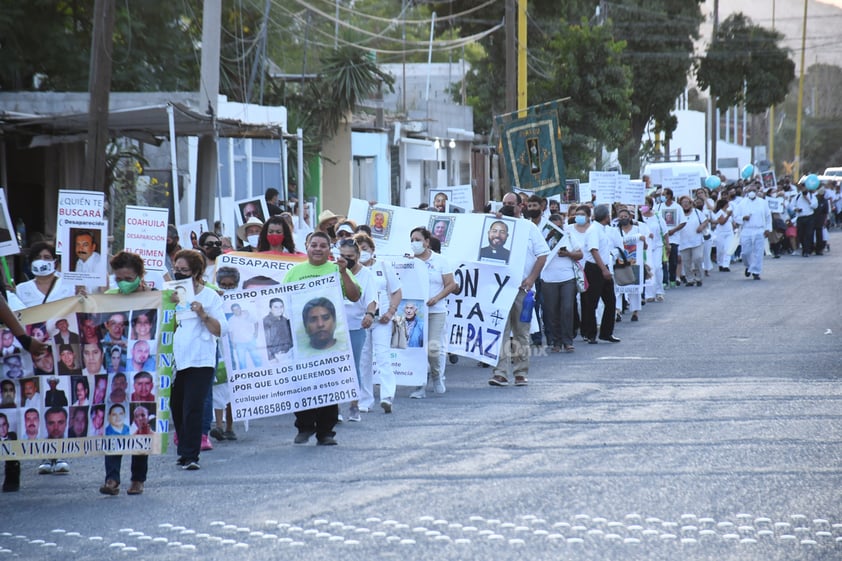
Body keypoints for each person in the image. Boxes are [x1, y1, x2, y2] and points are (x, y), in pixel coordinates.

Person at [283, 231, 361, 446]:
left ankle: (325, 432)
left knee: (329, 386)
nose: (318, 249)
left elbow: (355, 296)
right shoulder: (294, 272)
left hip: (331, 342)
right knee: (303, 385)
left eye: (323, 246)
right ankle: (305, 427)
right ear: (307, 247)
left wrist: (344, 273)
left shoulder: (337, 269)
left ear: (329, 249)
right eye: (314, 245)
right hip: (302, 340)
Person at [170, 249, 227, 470]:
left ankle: (191, 455)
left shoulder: (209, 296)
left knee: (193, 405)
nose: (179, 274)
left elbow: (221, 330)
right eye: (176, 270)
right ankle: (184, 448)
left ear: (195, 272)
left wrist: (203, 314)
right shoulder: (170, 294)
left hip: (201, 358)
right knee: (177, 406)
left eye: (184, 270)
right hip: (176, 359)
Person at [486, 192, 550, 386]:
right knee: (499, 331)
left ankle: (520, 372)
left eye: (511, 204)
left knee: (521, 332)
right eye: (504, 203)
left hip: (522, 288)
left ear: (520, 206)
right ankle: (500, 373)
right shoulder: (492, 226)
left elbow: (542, 255)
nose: (507, 206)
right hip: (498, 289)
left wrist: (531, 279)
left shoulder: (529, 228)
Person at [355, 233, 402, 413]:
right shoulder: (354, 270)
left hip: (382, 320)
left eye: (365, 249)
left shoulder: (384, 266)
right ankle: (365, 400)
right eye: (358, 250)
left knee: (383, 357)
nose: (362, 253)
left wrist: (390, 312)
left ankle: (387, 397)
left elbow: (397, 291)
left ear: (372, 250)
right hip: (362, 321)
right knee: (364, 360)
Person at [408, 227, 457, 398]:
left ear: (427, 242)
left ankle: (436, 375)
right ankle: (419, 385)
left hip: (436, 310)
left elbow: (451, 284)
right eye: (412, 239)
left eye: (418, 239)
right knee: (417, 349)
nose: (414, 243)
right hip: (416, 313)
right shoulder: (408, 262)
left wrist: (436, 298)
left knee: (433, 348)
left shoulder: (440, 260)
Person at [337, 237, 378, 422]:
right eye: (343, 256)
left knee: (353, 367)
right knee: (335, 368)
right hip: (335, 326)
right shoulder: (333, 271)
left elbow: (372, 298)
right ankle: (334, 407)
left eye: (350, 256)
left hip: (356, 326)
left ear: (358, 256)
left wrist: (369, 314)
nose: (347, 260)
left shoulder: (366, 274)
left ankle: (354, 405)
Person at [541, 213, 582, 353]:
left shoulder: (569, 236)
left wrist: (568, 254)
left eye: (560, 225)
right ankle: (556, 341)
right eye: (554, 227)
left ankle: (568, 341)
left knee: (567, 309)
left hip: (567, 278)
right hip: (548, 279)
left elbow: (580, 254)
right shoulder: (542, 237)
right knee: (552, 311)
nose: (558, 228)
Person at [581, 204, 621, 345]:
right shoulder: (593, 230)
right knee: (592, 302)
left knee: (610, 302)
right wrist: (603, 269)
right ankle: (590, 333)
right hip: (595, 268)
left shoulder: (602, 229)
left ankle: (606, 333)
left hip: (603, 267)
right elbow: (594, 250)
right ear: (606, 216)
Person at [13, 242, 77, 307]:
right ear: (31, 262)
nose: (41, 260)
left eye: (47, 257)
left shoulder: (70, 285)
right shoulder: (20, 290)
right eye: (37, 258)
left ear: (55, 262)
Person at [736, 185, 773, 280]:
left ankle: (756, 271)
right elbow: (736, 216)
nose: (752, 192)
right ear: (747, 192)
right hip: (747, 229)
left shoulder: (763, 203)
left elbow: (768, 216)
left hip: (759, 229)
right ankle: (749, 266)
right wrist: (743, 218)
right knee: (745, 252)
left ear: (757, 191)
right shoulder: (742, 203)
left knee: (758, 252)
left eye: (754, 190)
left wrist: (768, 228)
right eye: (750, 190)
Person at [673, 196, 708, 287]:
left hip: (696, 240)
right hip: (683, 241)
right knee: (686, 261)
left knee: (697, 258)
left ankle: (699, 277)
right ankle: (690, 279)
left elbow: (705, 221)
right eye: (683, 202)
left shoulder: (696, 212)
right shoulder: (678, 214)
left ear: (691, 203)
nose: (685, 204)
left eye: (687, 202)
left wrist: (701, 227)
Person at [228, 303, 263, 368]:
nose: (236, 311)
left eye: (237, 309)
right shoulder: (231, 320)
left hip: (250, 340)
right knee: (241, 361)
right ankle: (244, 375)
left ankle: (261, 371)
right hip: (239, 343)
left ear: (240, 308)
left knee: (256, 358)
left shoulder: (248, 315)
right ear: (232, 311)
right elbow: (230, 332)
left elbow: (256, 322)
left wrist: (256, 332)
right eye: (234, 310)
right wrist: (232, 342)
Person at [1, 411, 20, 492]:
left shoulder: (12, 436)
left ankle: (12, 477)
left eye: (4, 424)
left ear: (8, 425)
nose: (2, 429)